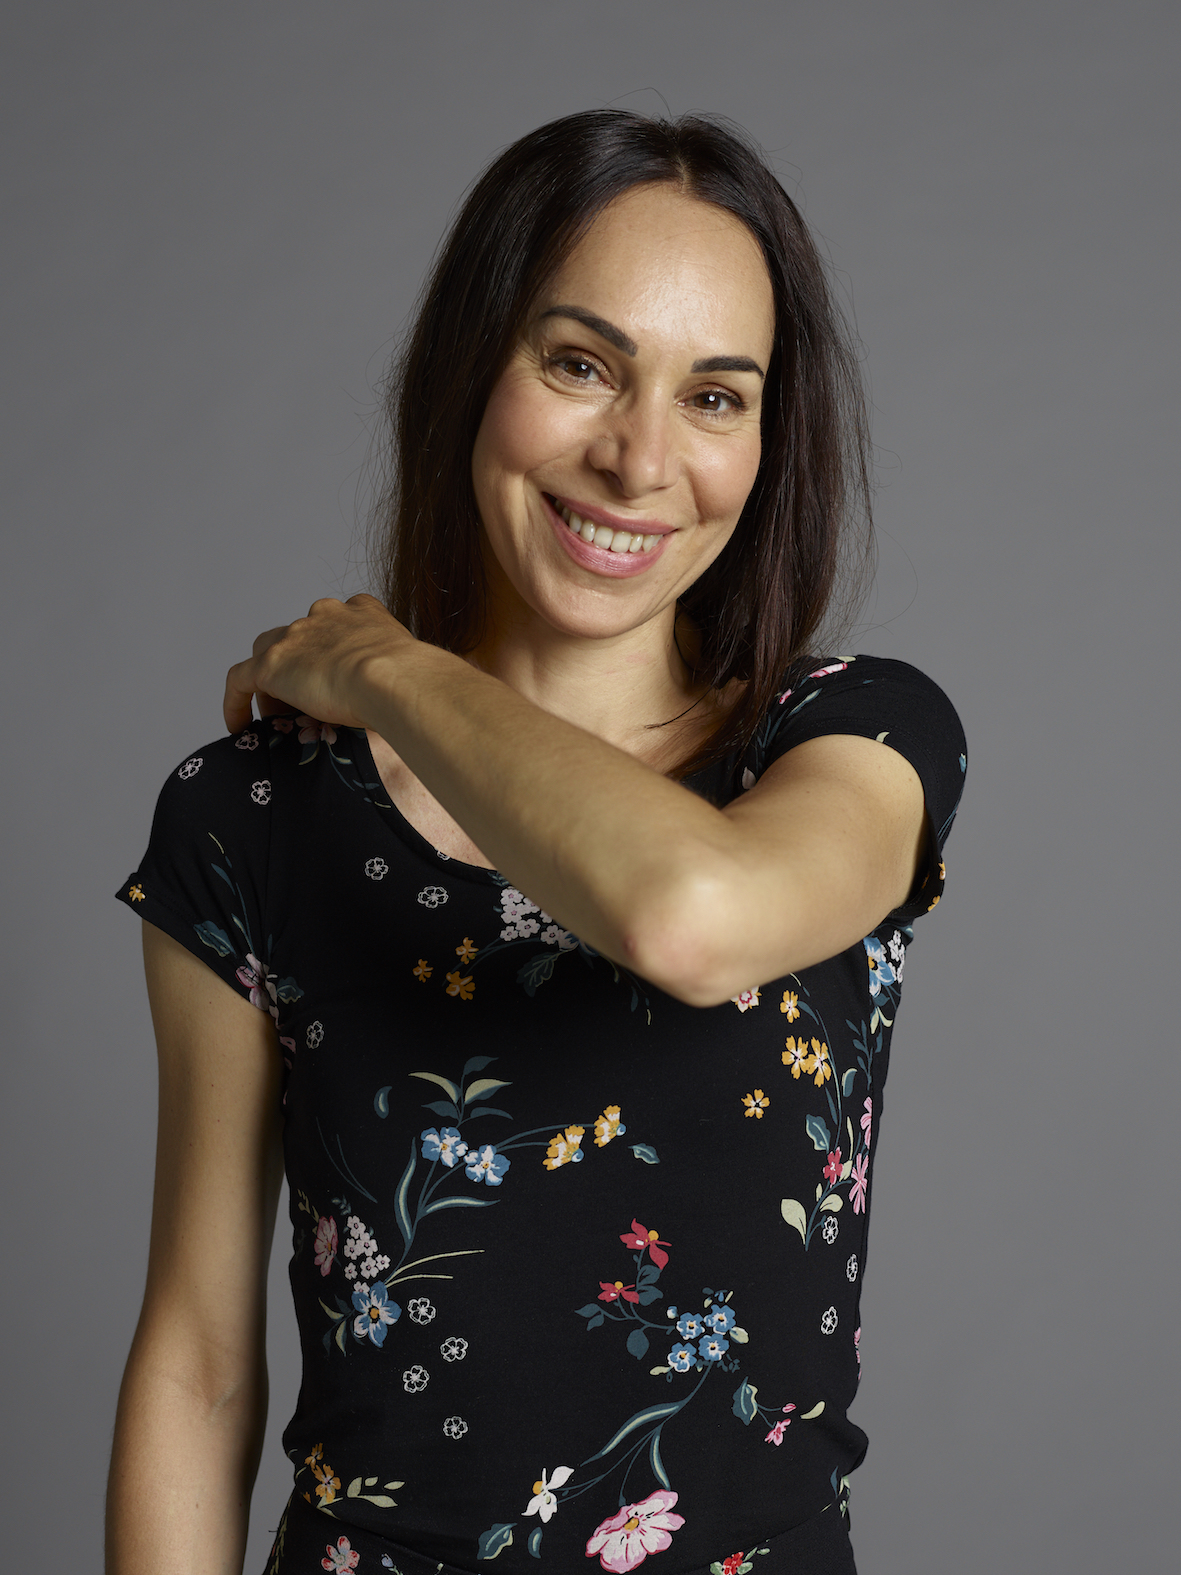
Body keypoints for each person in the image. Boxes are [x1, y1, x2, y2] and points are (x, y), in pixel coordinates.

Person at [108, 110, 966, 1575]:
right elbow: (197, 1366)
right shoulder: (251, 815)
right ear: (472, 369)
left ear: (767, 443)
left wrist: (391, 673)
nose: (639, 458)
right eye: (580, 365)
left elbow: (689, 917)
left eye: (715, 397)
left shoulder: (850, 741)